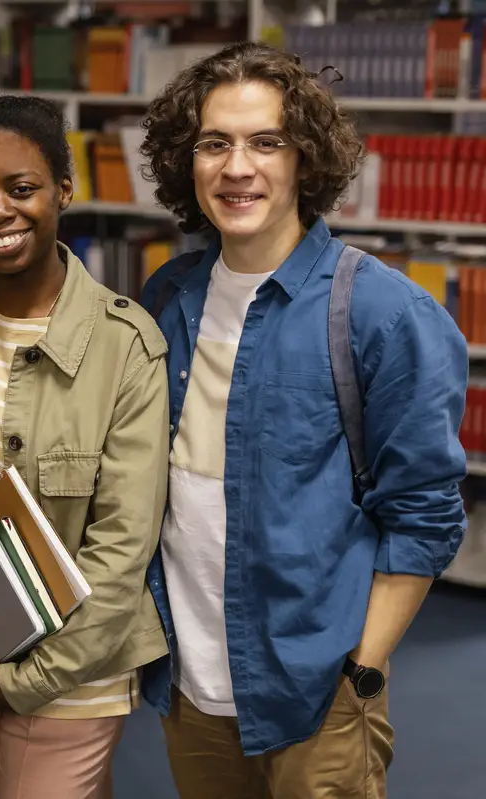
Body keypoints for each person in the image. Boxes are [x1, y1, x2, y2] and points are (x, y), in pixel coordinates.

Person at [137, 41, 469, 798]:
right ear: (186, 162)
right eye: (214, 143)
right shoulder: (169, 296)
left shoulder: (383, 313)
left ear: (305, 160)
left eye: (266, 142)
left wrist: (364, 667)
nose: (237, 167)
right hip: (188, 683)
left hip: (315, 693)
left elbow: (425, 514)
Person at [0, 95, 171, 798]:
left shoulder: (126, 344)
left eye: (21, 189)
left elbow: (122, 547)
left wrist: (33, 677)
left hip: (74, 668)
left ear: (64, 191)